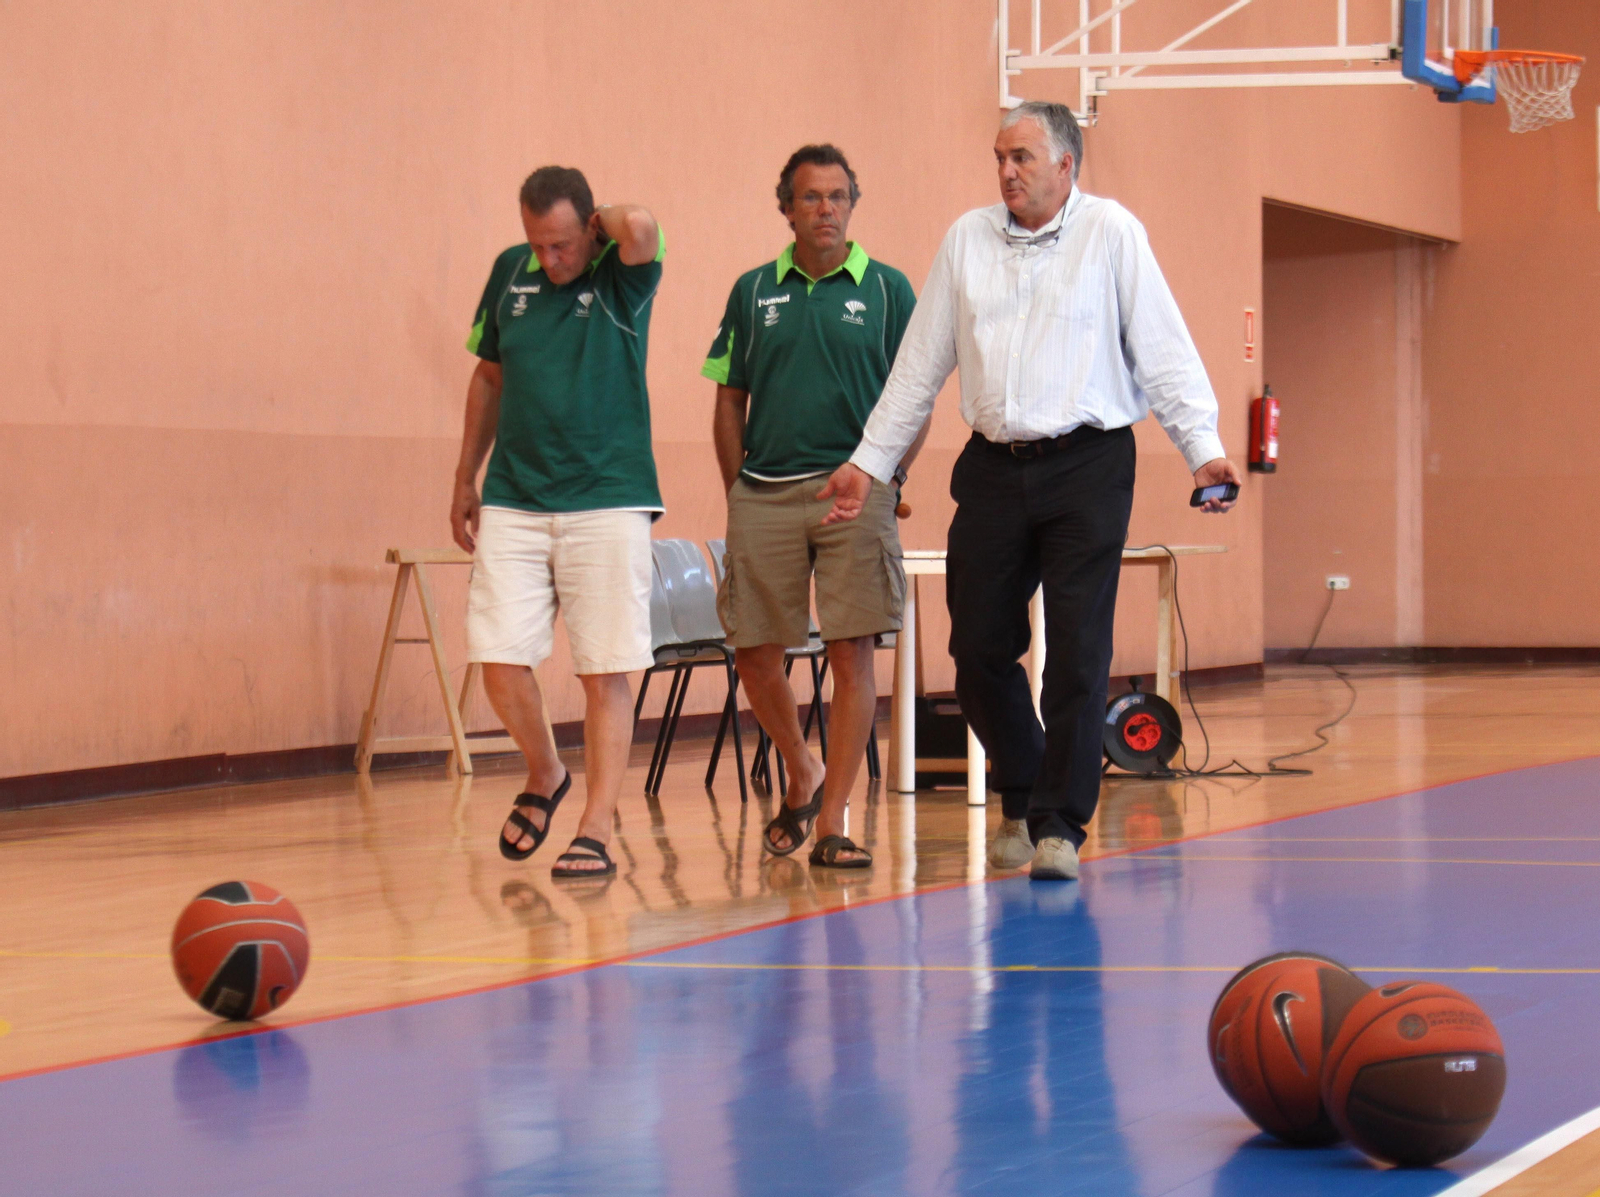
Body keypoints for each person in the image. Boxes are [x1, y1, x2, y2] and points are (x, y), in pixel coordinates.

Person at [819, 101, 1240, 881]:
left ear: (1066, 166)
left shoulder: (1112, 234)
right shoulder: (965, 240)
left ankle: (1058, 825)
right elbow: (918, 367)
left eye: (1022, 157)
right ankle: (1024, 780)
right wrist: (867, 462)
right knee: (976, 648)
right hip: (991, 468)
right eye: (999, 157)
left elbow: (1164, 350)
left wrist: (1203, 449)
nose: (1006, 171)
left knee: (1077, 653)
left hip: (1089, 464)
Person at [702, 144, 924, 869]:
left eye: (837, 197)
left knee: (851, 652)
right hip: (763, 493)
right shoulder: (751, 291)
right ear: (786, 208)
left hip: (855, 493)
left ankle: (833, 821)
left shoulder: (891, 291)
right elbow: (729, 397)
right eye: (810, 198)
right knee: (756, 654)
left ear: (853, 204)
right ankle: (803, 767)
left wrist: (884, 474)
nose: (825, 209)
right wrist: (738, 487)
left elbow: (913, 399)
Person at [451, 165, 665, 879]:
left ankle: (597, 825)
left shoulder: (618, 274)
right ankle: (546, 771)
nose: (550, 260)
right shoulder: (509, 273)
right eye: (538, 245)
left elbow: (643, 227)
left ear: (588, 228)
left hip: (607, 495)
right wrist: (465, 476)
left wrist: (602, 226)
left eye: (564, 244)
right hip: (515, 494)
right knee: (498, 655)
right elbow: (490, 373)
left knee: (604, 667)